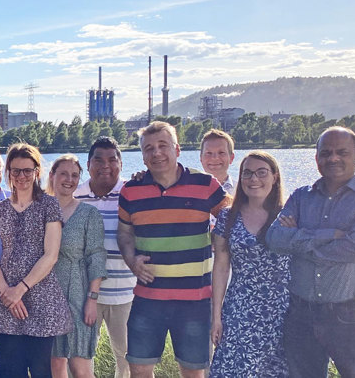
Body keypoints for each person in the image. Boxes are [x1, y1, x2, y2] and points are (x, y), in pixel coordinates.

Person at [267, 127, 355, 378]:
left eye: (342, 152)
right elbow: (274, 238)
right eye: (326, 153)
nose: (333, 158)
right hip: (301, 312)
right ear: (317, 159)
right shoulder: (301, 196)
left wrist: (300, 241)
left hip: (353, 316)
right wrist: (326, 235)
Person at [116, 121, 227, 378]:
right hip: (147, 298)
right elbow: (124, 233)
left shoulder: (205, 185)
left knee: (193, 372)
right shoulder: (131, 191)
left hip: (195, 301)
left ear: (177, 149)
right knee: (139, 370)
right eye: (149, 148)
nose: (156, 153)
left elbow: (232, 220)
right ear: (142, 155)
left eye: (163, 146)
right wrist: (132, 260)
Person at [0, 143, 71, 378]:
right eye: (16, 171)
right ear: (9, 173)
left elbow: (51, 255)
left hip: (40, 297)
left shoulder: (49, 205)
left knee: (41, 368)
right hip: (5, 297)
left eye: (27, 170)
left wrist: (20, 290)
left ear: (37, 172)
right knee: (8, 369)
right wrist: (7, 293)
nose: (21, 176)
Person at [210, 151, 290, 377]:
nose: (254, 179)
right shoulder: (228, 216)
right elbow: (221, 267)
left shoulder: (290, 216)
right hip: (239, 310)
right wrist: (217, 316)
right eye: (248, 173)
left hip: (282, 311)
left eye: (261, 172)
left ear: (274, 177)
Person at [74, 137, 135, 378]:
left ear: (121, 163)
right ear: (88, 164)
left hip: (126, 292)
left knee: (129, 358)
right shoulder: (74, 197)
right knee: (80, 356)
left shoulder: (133, 193)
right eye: (98, 160)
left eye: (112, 160)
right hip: (84, 295)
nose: (105, 165)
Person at [48, 154, 106, 378]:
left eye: (74, 175)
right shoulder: (41, 210)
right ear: (52, 176)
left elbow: (96, 256)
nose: (69, 179)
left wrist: (92, 299)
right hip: (47, 296)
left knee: (80, 366)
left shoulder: (89, 214)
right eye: (63, 173)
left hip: (78, 295)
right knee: (55, 364)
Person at [200, 129, 236, 195]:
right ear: (201, 158)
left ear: (231, 158)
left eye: (221, 152)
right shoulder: (188, 191)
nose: (214, 157)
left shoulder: (243, 191)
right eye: (209, 153)